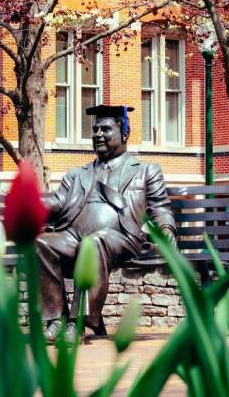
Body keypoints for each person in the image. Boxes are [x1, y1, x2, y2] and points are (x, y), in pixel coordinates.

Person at [38, 104, 176, 344]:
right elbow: (58, 202)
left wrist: (166, 229)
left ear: (124, 133)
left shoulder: (145, 171)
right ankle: (56, 321)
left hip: (121, 236)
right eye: (94, 130)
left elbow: (160, 207)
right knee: (41, 242)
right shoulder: (77, 175)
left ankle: (77, 323)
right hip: (73, 236)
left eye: (105, 129)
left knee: (93, 242)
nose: (98, 134)